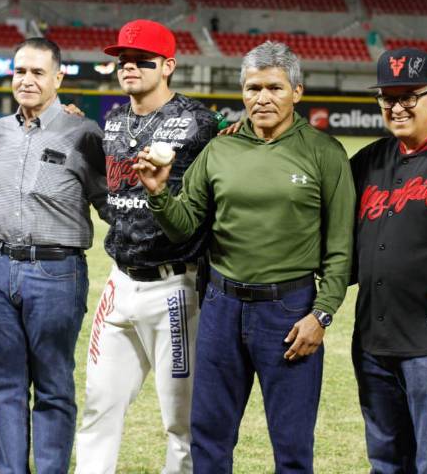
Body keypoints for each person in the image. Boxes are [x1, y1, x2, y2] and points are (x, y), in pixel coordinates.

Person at [135, 40, 355, 473]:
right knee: (209, 436)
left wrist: (323, 314)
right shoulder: (221, 148)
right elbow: (183, 225)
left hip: (289, 311)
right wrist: (159, 192)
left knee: (291, 445)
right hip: (221, 305)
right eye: (253, 88)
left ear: (297, 91)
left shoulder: (324, 153)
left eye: (274, 87)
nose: (262, 98)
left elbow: (341, 247)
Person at [74, 19, 215, 474]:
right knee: (98, 405)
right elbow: (105, 187)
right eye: (123, 60)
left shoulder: (198, 122)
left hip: (174, 288)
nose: (129, 67)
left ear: (168, 66)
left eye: (142, 61)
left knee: (181, 422)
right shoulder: (113, 121)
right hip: (119, 283)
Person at [0, 37, 108, 474]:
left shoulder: (83, 132)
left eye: (37, 72)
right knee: (5, 387)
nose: (26, 80)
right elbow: (1, 204)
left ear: (58, 77)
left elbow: (109, 202)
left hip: (56, 272)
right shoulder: (1, 133)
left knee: (52, 388)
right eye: (20, 71)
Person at [350, 47, 427, 473]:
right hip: (371, 341)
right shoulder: (369, 160)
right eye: (388, 97)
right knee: (384, 461)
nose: (397, 107)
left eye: (409, 96)